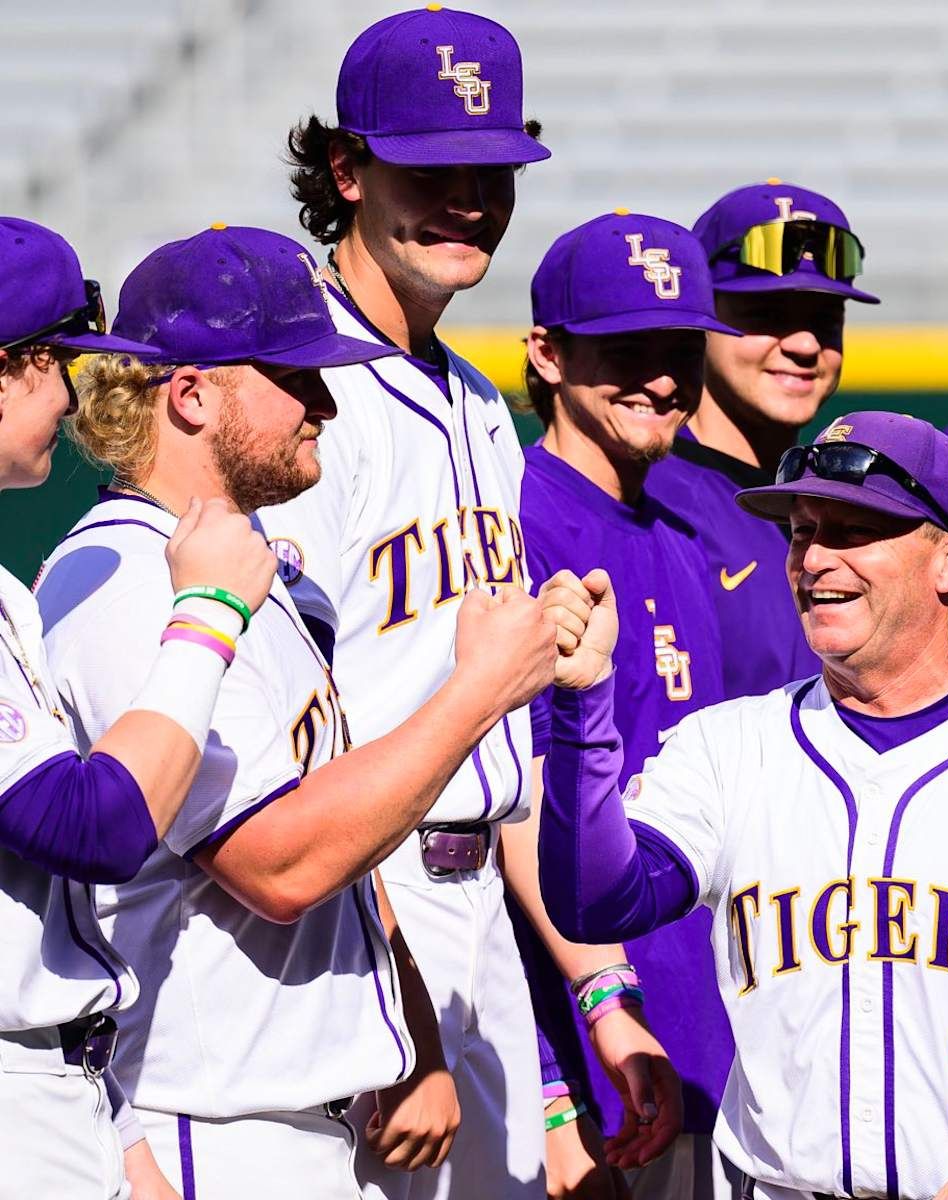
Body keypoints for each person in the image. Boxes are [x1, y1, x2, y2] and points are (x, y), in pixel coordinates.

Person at [35, 224, 558, 1198]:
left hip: (291, 1117)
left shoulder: (238, 570)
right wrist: (479, 691)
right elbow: (277, 864)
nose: (326, 400)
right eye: (295, 375)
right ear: (189, 393)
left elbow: (336, 832)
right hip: (206, 1125)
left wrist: (415, 1024)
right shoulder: (130, 580)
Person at [535, 409, 948, 1200]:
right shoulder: (733, 744)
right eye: (804, 532)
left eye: (854, 530)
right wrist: (581, 709)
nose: (816, 561)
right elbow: (596, 901)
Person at [258, 11, 678, 1198]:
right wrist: (407, 1026)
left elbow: (504, 755)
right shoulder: (296, 395)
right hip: (342, 931)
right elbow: (302, 745)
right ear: (345, 170)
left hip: (475, 906)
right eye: (428, 169)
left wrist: (598, 999)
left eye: (488, 172)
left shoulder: (483, 407)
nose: (467, 202)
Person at [0, 216, 276, 1200]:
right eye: (62, 362)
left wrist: (118, 1136)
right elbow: (93, 828)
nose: (78, 392)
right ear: (7, 368)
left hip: (66, 1076)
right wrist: (206, 615)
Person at [515, 209, 737, 1198]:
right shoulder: (514, 517)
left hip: (697, 1050)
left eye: (681, 348)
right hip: (591, 1062)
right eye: (626, 348)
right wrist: (551, 1088)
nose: (661, 374)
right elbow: (490, 822)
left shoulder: (680, 531)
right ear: (549, 354)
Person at [649, 180, 878, 698]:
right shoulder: (646, 496)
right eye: (767, 314)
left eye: (826, 320)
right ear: (698, 319)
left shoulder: (840, 502)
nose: (803, 344)